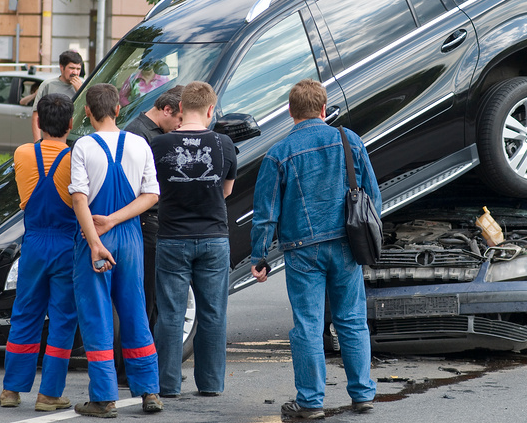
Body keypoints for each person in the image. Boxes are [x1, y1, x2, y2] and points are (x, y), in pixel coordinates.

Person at [250, 79, 380, 420]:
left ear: (291, 112)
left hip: (302, 250)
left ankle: (310, 402)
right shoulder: (348, 140)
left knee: (307, 324)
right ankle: (362, 393)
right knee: (351, 319)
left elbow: (266, 213)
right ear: (324, 109)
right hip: (347, 243)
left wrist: (259, 255)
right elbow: (372, 197)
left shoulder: (278, 153)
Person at [68, 83, 162, 417]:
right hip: (131, 238)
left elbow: (79, 197)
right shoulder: (139, 144)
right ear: (119, 109)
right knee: (136, 311)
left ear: (88, 112)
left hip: (95, 239)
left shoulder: (83, 146)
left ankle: (104, 398)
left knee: (97, 316)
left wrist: (95, 239)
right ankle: (150, 391)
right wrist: (115, 220)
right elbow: (151, 195)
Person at [151, 81, 236, 398]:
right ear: (211, 110)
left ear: (181, 108)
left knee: (171, 314)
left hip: (173, 237)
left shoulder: (159, 146)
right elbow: (226, 192)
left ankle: (168, 385)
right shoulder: (224, 143)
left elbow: (153, 189)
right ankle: (211, 384)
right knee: (213, 313)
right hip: (214, 238)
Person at [0, 93, 79, 412]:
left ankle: (11, 390)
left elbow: (38, 150)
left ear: (38, 122)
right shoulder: (75, 158)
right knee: (62, 318)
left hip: (33, 244)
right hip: (65, 244)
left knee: (25, 313)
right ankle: (49, 394)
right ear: (71, 124)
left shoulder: (22, 154)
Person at [123, 85, 184, 333]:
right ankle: (136, 368)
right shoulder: (139, 135)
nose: (181, 126)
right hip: (146, 222)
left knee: (158, 299)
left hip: (156, 221)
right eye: (180, 119)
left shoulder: (156, 132)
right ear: (166, 109)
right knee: (147, 299)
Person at [31, 50, 83, 141]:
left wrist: (81, 91)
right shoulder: (48, 85)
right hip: (50, 138)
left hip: (76, 139)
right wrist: (37, 141)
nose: (75, 72)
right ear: (61, 67)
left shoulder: (84, 85)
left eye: (78, 69)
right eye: (71, 68)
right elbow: (36, 114)